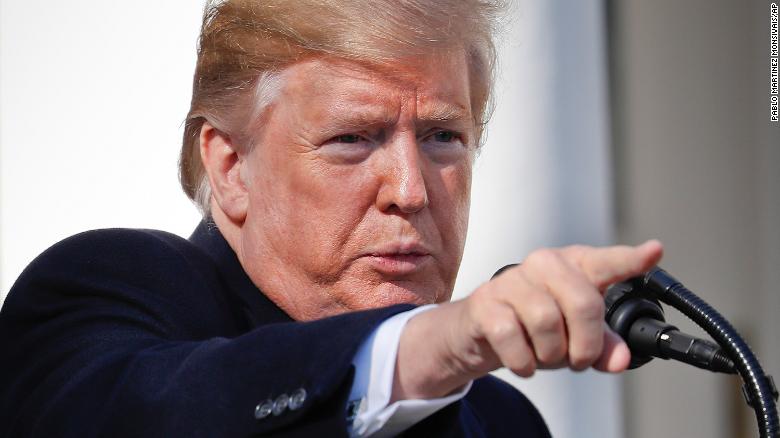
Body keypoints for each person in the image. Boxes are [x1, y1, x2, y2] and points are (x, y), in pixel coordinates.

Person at [0, 0, 663, 436]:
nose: (410, 189)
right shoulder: (103, 291)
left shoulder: (501, 421)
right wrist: (431, 347)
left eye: (442, 137)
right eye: (352, 138)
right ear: (230, 166)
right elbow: (153, 413)